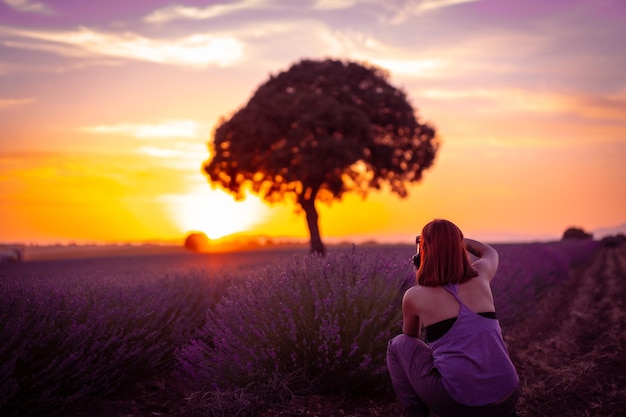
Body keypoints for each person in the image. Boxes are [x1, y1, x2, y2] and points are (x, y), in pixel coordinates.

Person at [387, 219, 520, 417]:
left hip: (463, 406)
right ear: (459, 248)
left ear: (422, 252)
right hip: (508, 396)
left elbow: (411, 340)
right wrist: (454, 240)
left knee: (397, 344)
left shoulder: (414, 296)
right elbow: (490, 252)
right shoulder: (480, 276)